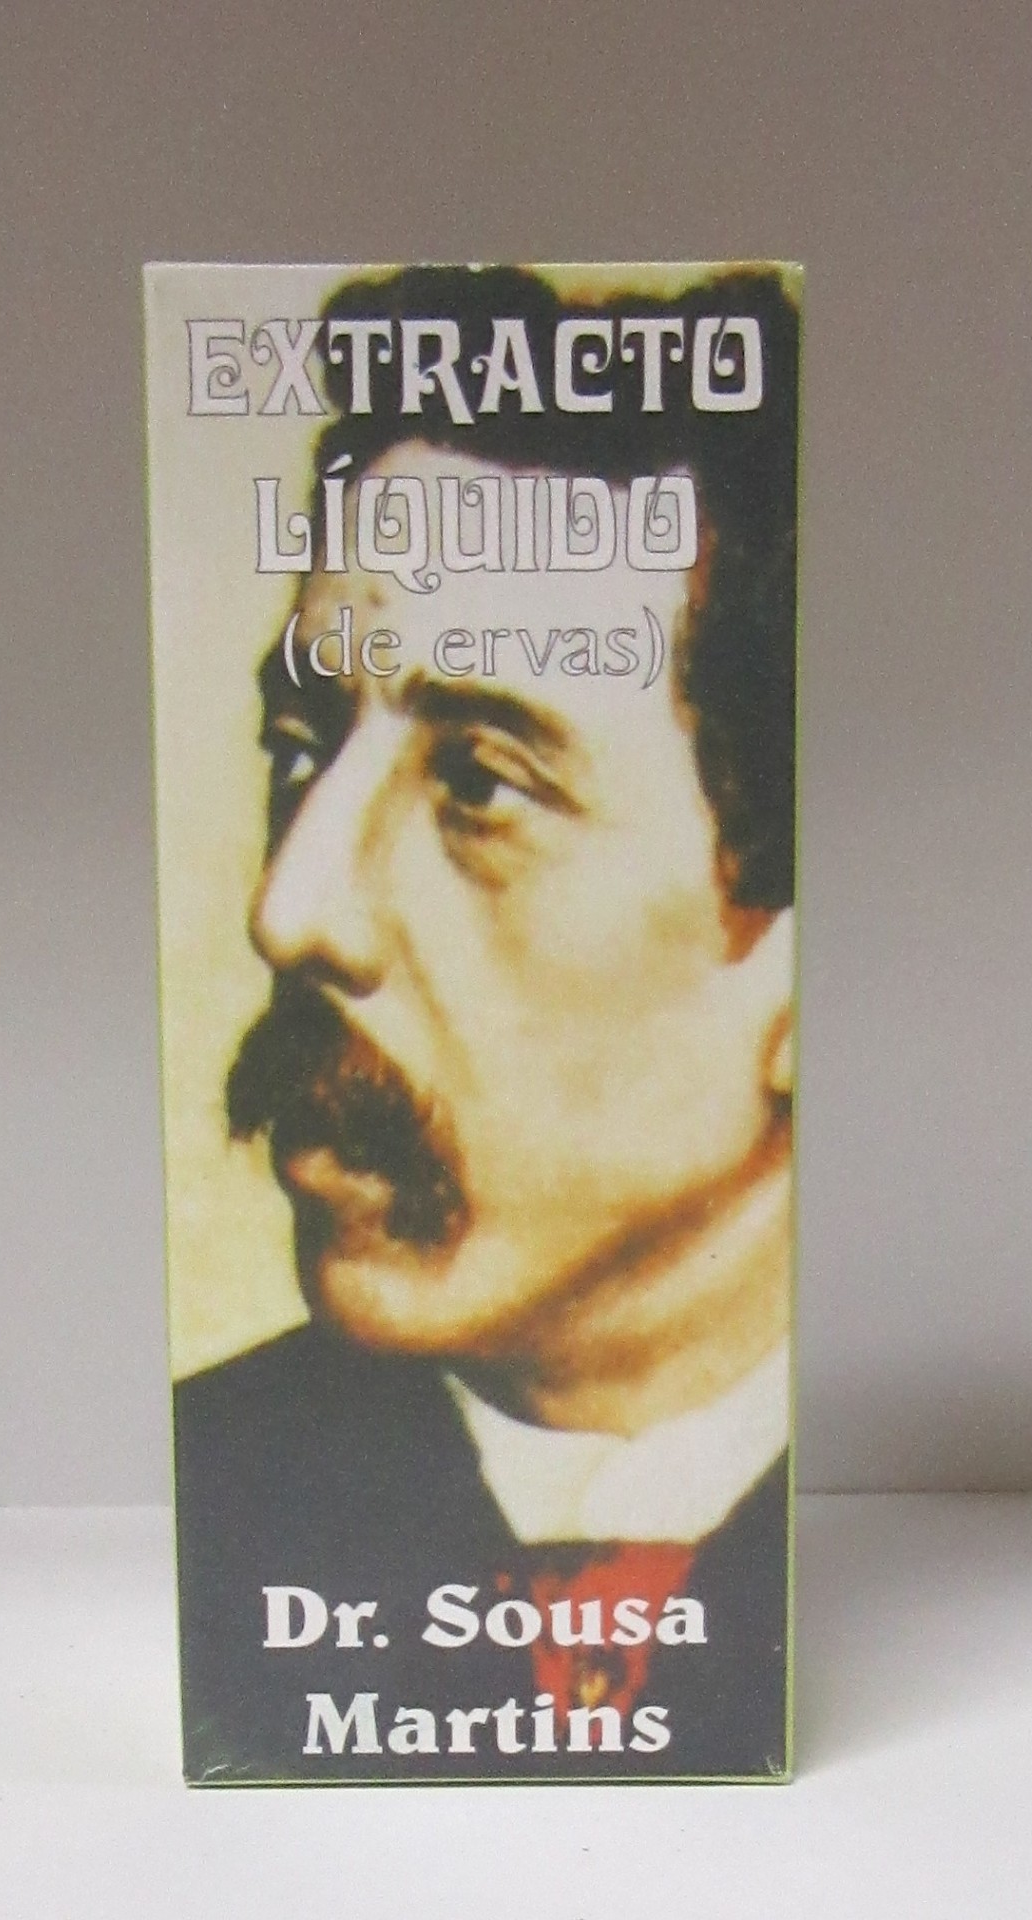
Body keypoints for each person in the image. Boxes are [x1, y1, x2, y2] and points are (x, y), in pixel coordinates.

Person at [174, 265, 798, 1782]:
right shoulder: (203, 1499)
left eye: (478, 783)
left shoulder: (919, 1522)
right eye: (302, 748)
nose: (292, 909)